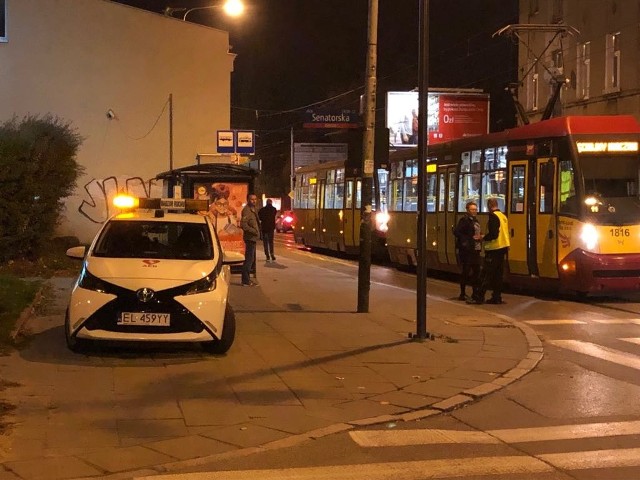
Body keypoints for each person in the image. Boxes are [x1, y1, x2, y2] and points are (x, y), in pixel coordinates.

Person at [469, 197, 510, 305]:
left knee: (486, 274)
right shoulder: (503, 216)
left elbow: (493, 234)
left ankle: (478, 297)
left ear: (489, 206)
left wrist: (482, 237)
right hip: (503, 248)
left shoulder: (493, 216)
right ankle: (496, 297)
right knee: (498, 275)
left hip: (494, 248)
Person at [454, 201, 482, 301]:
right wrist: (468, 239)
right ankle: (463, 293)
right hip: (467, 251)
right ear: (467, 210)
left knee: (476, 272)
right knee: (466, 272)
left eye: (475, 209)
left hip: (476, 249)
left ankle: (475, 292)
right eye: (472, 209)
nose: (474, 211)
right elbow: (456, 231)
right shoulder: (464, 220)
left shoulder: (475, 220)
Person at [240, 193, 261, 287]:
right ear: (248, 200)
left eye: (255, 199)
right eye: (252, 199)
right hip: (250, 238)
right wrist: (254, 231)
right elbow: (244, 225)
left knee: (251, 259)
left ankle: (247, 279)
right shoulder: (246, 211)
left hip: (253, 238)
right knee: (249, 259)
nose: (254, 201)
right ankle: (245, 280)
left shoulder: (254, 210)